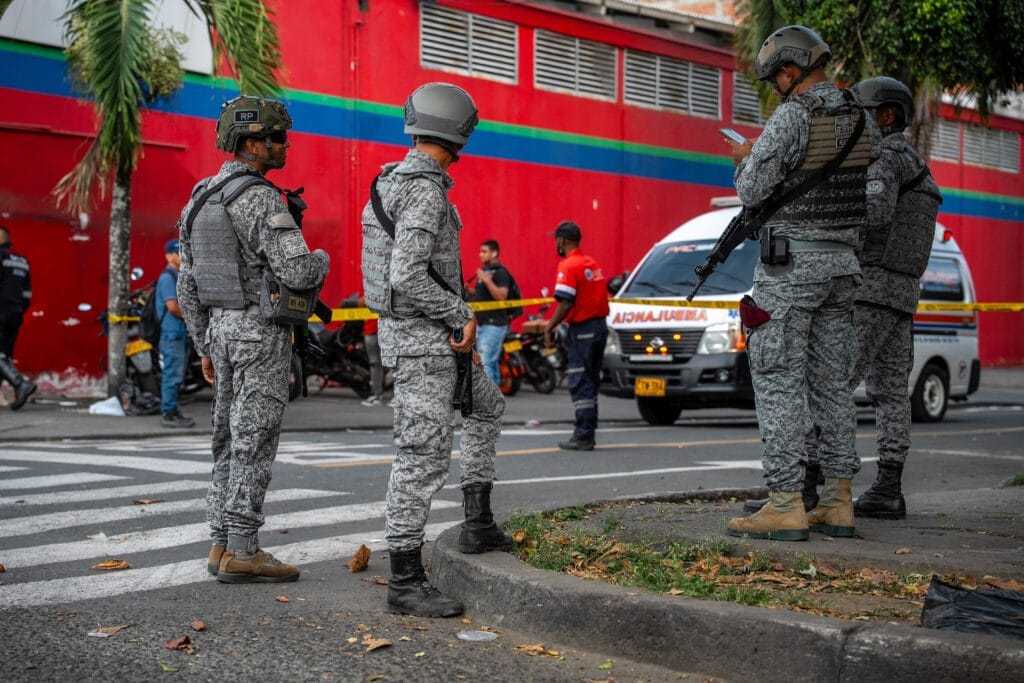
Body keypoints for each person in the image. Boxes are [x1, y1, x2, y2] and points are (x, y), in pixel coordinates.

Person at [361, 82, 510, 618]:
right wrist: (461, 314)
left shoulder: (390, 182)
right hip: (424, 340)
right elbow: (406, 275)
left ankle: (477, 522)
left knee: (487, 408)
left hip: (424, 338)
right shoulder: (423, 191)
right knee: (421, 454)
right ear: (460, 131)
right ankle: (404, 577)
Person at [725, 25, 877, 541]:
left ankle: (786, 502)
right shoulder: (862, 119)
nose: (777, 86)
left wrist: (745, 157)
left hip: (790, 273)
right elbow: (869, 200)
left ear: (789, 70)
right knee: (833, 385)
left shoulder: (792, 116)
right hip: (843, 271)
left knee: (778, 379)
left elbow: (751, 190)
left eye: (776, 77)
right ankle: (837, 500)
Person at [177, 96, 329, 583]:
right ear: (251, 143)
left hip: (220, 331)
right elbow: (295, 269)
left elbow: (188, 282)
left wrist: (204, 345)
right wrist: (322, 259)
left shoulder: (201, 196)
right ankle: (244, 548)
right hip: (259, 334)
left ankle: (220, 542)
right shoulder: (260, 197)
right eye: (277, 137)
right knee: (254, 440)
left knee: (225, 439)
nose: (285, 146)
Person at [849, 76, 942, 519]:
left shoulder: (886, 155)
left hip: (870, 290)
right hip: (902, 295)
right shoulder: (917, 162)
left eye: (864, 113)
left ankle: (810, 486)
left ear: (887, 116)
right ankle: (888, 487)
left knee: (832, 382)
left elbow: (876, 211)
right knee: (889, 393)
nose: (857, 122)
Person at [543, 221, 609, 451]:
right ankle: (588, 430)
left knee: (580, 381)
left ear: (562, 240)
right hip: (600, 328)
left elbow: (565, 302)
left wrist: (549, 327)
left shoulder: (569, 265)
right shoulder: (591, 263)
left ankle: (583, 435)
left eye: (556, 239)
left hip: (582, 330)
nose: (555, 243)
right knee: (590, 380)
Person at [156, 239, 195, 428]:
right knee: (172, 376)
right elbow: (172, 307)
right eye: (178, 253)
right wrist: (191, 316)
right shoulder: (167, 278)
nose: (182, 256)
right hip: (172, 336)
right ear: (169, 256)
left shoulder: (176, 276)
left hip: (178, 335)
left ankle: (173, 410)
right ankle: (169, 413)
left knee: (176, 376)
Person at [0, 225, 36, 410]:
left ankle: (20, 383)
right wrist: (19, 310)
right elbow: (27, 294)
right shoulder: (22, 260)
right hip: (15, 313)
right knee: (4, 355)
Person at [469, 239, 513, 386]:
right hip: (482, 324)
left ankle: (490, 401)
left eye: (484, 252)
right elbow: (483, 297)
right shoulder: (486, 272)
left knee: (485, 360)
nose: (480, 255)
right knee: (490, 361)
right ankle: (495, 399)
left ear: (494, 253)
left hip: (494, 325)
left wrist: (486, 280)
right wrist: (470, 291)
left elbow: (501, 296)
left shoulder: (500, 273)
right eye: (480, 251)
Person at [358, 293, 386, 407]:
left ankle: (377, 394)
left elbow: (361, 302)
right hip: (379, 329)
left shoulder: (369, 286)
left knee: (375, 363)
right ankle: (377, 393)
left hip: (373, 330)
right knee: (379, 364)